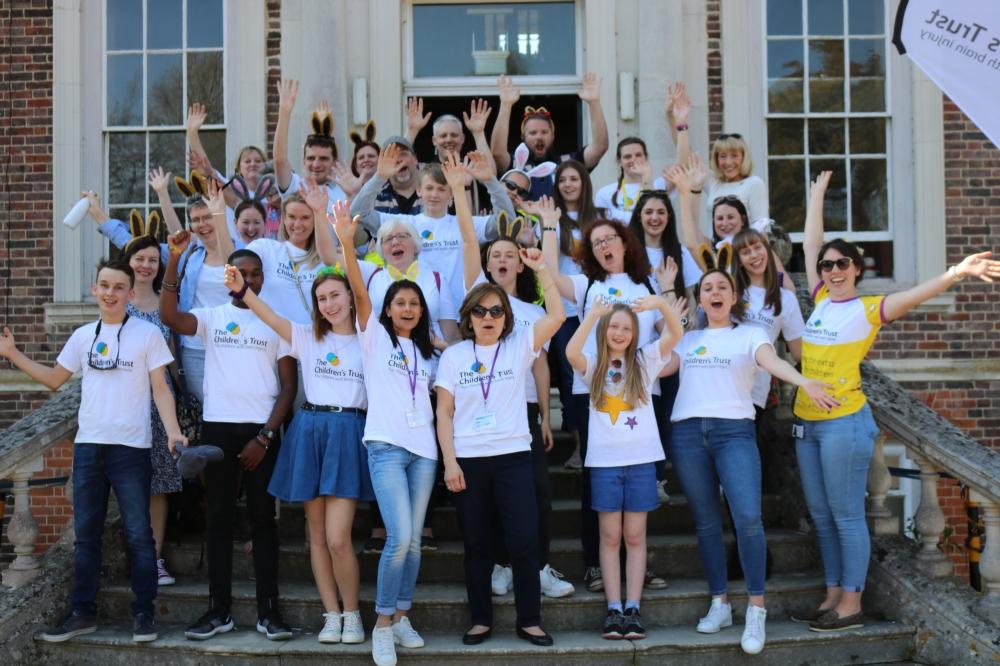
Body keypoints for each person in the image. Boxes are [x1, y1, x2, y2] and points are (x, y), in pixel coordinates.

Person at [791, 171, 1000, 632]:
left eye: (841, 264)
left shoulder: (869, 309)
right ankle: (831, 594)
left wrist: (956, 272)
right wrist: (817, 197)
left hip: (844, 422)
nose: (831, 271)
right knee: (822, 514)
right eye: (827, 266)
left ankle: (851, 602)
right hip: (807, 421)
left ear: (855, 270)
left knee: (846, 515)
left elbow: (917, 296)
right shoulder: (822, 298)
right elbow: (809, 246)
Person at [2, 259, 185, 644]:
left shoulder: (147, 334)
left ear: (130, 294)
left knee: (139, 535)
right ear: (94, 289)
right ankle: (82, 613)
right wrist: (12, 354)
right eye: (104, 285)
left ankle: (144, 614)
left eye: (119, 287)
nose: (110, 293)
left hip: (131, 448)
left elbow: (161, 390)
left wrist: (172, 432)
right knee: (86, 536)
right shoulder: (84, 335)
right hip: (88, 448)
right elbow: (55, 379)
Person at [664, 261, 839, 655]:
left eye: (721, 287)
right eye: (707, 287)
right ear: (700, 299)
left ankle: (756, 609)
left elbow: (772, 361)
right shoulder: (687, 339)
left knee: (747, 518)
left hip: (734, 433)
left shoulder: (750, 333)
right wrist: (664, 319)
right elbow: (657, 366)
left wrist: (803, 380)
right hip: (689, 433)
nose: (714, 293)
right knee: (707, 523)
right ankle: (719, 603)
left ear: (734, 296)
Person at [223, 262, 372, 645]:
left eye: (335, 295)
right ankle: (332, 614)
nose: (329, 304)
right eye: (321, 299)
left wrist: (342, 239)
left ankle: (352, 613)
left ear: (350, 299)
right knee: (318, 537)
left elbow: (361, 294)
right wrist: (242, 291)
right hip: (310, 430)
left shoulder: (368, 336)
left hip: (347, 431)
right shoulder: (306, 336)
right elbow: (269, 316)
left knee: (339, 538)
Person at [160, 239, 298, 642]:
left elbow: (288, 388)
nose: (249, 279)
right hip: (218, 430)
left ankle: (268, 612)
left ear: (263, 278)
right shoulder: (213, 316)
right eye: (241, 273)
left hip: (261, 432)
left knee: (262, 524)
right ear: (228, 277)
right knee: (218, 521)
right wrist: (172, 259)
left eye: (256, 273)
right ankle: (218, 610)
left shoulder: (275, 322)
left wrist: (266, 436)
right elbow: (169, 315)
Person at [449, 153, 574, 600]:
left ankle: (537, 566)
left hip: (520, 409)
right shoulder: (477, 298)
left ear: (520, 264)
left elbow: (540, 363)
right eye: (495, 255)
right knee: (491, 501)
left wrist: (544, 414)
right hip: (480, 411)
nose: (502, 260)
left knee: (537, 495)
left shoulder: (532, 311)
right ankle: (501, 566)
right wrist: (462, 192)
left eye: (509, 256)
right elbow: (467, 241)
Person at [435, 237, 565, 647]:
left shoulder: (518, 345)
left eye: (496, 311)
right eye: (480, 311)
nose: (488, 316)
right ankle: (480, 620)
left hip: (513, 458)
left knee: (524, 539)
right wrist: (451, 463)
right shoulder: (454, 357)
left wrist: (542, 267)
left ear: (506, 318)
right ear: (468, 317)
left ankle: (530, 620)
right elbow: (444, 414)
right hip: (470, 461)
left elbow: (558, 315)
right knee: (477, 544)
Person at [540, 206, 669, 594]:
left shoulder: (647, 284)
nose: (603, 246)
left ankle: (635, 568)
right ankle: (595, 563)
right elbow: (549, 273)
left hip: (643, 390)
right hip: (592, 390)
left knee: (640, 484)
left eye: (609, 239)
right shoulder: (586, 286)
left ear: (624, 243)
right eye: (596, 243)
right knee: (597, 482)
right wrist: (549, 226)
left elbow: (669, 328)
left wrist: (670, 293)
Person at [333, 202, 440, 666]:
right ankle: (381, 624)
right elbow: (358, 292)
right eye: (400, 303)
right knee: (397, 536)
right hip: (387, 447)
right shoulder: (374, 338)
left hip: (426, 452)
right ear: (388, 309)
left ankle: (400, 617)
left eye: (414, 303)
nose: (408, 309)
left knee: (414, 541)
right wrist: (344, 241)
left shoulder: (430, 356)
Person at [566, 294, 684, 641]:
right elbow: (571, 352)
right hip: (604, 464)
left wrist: (660, 307)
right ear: (604, 330)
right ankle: (613, 608)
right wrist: (593, 316)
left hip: (641, 462)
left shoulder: (645, 361)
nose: (619, 333)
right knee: (610, 536)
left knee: (634, 536)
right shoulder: (594, 365)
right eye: (614, 327)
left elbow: (675, 335)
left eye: (626, 328)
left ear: (635, 334)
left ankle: (633, 607)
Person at [86, 186, 235, 403]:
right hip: (195, 348)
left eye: (208, 217)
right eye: (196, 220)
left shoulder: (241, 251)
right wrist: (99, 215)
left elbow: (236, 271)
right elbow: (138, 249)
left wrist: (220, 212)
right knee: (203, 414)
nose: (202, 224)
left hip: (233, 344)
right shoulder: (189, 256)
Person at [352, 142, 515, 325]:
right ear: (419, 191)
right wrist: (380, 177)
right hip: (418, 319)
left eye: (441, 189)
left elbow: (507, 222)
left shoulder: (467, 224)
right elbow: (358, 213)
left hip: (464, 319)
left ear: (452, 194)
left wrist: (490, 181)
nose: (434, 194)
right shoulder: (404, 225)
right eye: (429, 188)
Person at [117, 214, 185, 588]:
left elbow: (173, 353)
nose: (145, 265)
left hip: (161, 404)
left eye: (152, 260)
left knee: (158, 484)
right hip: (125, 402)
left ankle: (155, 560)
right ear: (128, 262)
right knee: (130, 484)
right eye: (139, 259)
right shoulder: (117, 302)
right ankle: (137, 556)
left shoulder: (166, 303)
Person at [731, 227, 805, 488]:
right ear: (738, 259)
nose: (753, 255)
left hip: (755, 392)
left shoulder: (785, 300)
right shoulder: (730, 291)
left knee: (746, 460)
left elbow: (799, 352)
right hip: (723, 386)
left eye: (757, 247)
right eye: (745, 251)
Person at [543, 160, 602, 468]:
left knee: (596, 371)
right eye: (562, 179)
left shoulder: (600, 217)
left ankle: (600, 439)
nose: (568, 184)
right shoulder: (553, 218)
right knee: (570, 377)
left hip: (595, 306)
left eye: (574, 179)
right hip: (564, 309)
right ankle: (580, 445)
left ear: (584, 183)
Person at [668, 158, 795, 291]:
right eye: (719, 218)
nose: (725, 223)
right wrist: (693, 191)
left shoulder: (759, 249)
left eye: (730, 217)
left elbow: (789, 289)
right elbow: (691, 232)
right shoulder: (711, 251)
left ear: (743, 220)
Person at [490, 73, 609, 199]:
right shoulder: (515, 164)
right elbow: (497, 152)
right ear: (523, 137)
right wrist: (505, 105)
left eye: (544, 132)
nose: (539, 137)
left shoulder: (569, 163)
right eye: (533, 133)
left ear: (553, 136)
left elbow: (600, 147)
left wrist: (594, 102)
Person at [594, 84, 691, 224]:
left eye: (638, 155)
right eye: (627, 156)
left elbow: (682, 165)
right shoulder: (605, 194)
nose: (633, 159)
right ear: (619, 161)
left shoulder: (658, 185)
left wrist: (679, 121)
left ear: (646, 157)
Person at [273, 79, 349, 205]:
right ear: (304, 161)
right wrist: (284, 113)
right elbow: (279, 160)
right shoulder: (295, 186)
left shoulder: (345, 192)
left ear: (335, 162)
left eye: (323, 158)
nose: (316, 164)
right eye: (311, 158)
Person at [704, 133, 769, 226]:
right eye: (723, 156)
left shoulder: (754, 183)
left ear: (743, 157)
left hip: (743, 241)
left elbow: (761, 229)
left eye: (734, 156)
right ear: (716, 159)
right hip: (713, 241)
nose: (728, 162)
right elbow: (688, 160)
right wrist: (680, 124)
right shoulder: (714, 183)